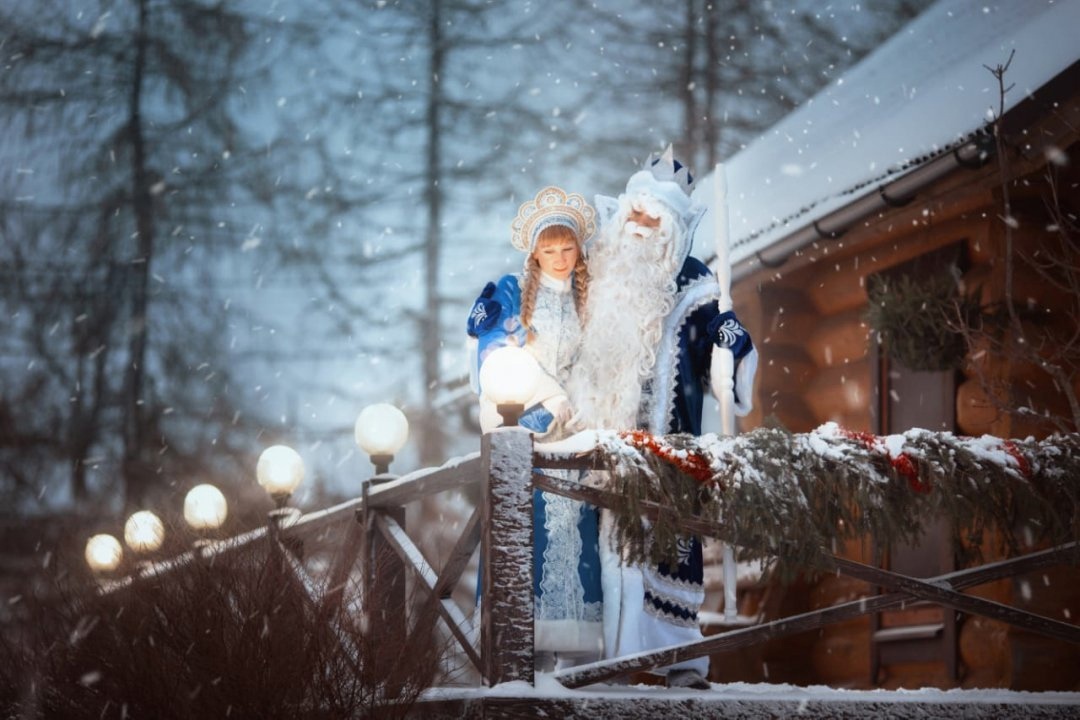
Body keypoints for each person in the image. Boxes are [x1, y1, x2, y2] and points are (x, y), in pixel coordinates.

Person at [567, 147, 758, 689]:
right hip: (591, 455)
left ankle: (678, 662)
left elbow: (726, 357)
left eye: (655, 217)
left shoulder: (698, 289)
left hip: (664, 460)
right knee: (588, 557)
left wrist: (729, 344)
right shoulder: (593, 274)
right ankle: (588, 663)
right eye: (635, 213)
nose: (642, 225)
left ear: (674, 227)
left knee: (665, 557)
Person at [466, 185, 603, 670]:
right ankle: (520, 646)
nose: (560, 259)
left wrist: (582, 402)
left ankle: (576, 652)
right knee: (525, 528)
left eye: (567, 249)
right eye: (549, 250)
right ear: (534, 252)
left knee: (575, 529)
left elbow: (599, 359)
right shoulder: (510, 291)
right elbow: (495, 353)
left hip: (577, 428)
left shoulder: (591, 296)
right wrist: (546, 396)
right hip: (522, 420)